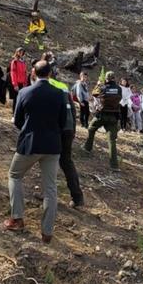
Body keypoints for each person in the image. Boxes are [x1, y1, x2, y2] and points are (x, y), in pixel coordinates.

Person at [4, 60, 67, 243]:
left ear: (33, 73)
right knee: (50, 189)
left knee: (14, 175)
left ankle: (17, 218)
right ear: (50, 74)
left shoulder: (25, 92)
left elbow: (17, 121)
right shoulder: (59, 94)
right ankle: (47, 232)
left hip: (30, 144)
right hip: (53, 146)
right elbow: (64, 122)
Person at [48, 68, 84, 207]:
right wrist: (73, 129)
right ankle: (78, 198)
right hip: (68, 129)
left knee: (48, 160)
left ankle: (47, 195)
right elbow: (73, 109)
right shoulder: (63, 86)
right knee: (67, 162)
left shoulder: (46, 85)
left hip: (55, 129)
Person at [84, 71, 123, 171]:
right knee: (112, 141)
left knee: (91, 128)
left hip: (102, 115)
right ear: (114, 78)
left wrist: (98, 84)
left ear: (106, 79)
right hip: (114, 117)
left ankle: (87, 148)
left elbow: (94, 94)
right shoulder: (119, 89)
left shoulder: (103, 87)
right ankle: (114, 166)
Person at [8, 48, 28, 114]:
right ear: (17, 52)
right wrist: (15, 84)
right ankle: (14, 114)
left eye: (22, 52)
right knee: (16, 100)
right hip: (17, 83)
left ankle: (19, 114)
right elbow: (13, 73)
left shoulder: (23, 62)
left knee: (21, 100)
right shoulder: (14, 62)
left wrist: (25, 83)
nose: (21, 53)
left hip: (23, 84)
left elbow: (25, 73)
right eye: (20, 52)